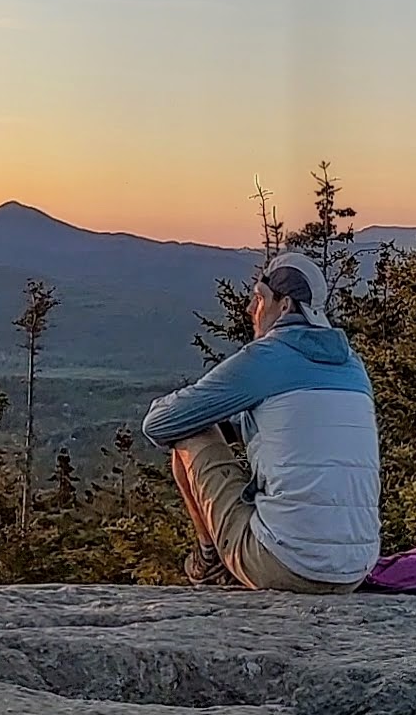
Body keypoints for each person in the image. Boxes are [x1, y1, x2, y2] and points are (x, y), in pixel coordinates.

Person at [139, 252, 382, 592]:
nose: (252, 310)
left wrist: (192, 410)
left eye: (259, 299)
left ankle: (210, 563)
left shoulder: (267, 357)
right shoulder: (353, 366)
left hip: (283, 566)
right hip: (354, 570)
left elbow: (159, 424)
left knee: (190, 432)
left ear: (283, 307)